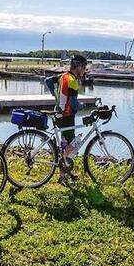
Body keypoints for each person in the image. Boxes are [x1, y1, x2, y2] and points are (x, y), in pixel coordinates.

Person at [45, 54, 88, 183]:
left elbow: (47, 81)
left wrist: (56, 96)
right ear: (79, 66)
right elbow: (74, 104)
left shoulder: (62, 76)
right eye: (84, 67)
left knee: (66, 144)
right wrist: (84, 106)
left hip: (59, 113)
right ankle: (62, 175)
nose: (85, 70)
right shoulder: (73, 82)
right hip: (67, 116)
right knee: (70, 146)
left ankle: (65, 173)